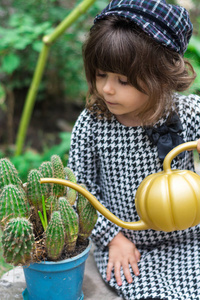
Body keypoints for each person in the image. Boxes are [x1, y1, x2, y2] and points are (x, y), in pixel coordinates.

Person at [68, 0, 200, 299]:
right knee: (151, 292)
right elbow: (80, 190)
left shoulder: (187, 111)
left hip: (190, 236)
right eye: (100, 75)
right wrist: (112, 238)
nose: (107, 89)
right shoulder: (93, 124)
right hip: (127, 243)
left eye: (122, 80)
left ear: (161, 77)